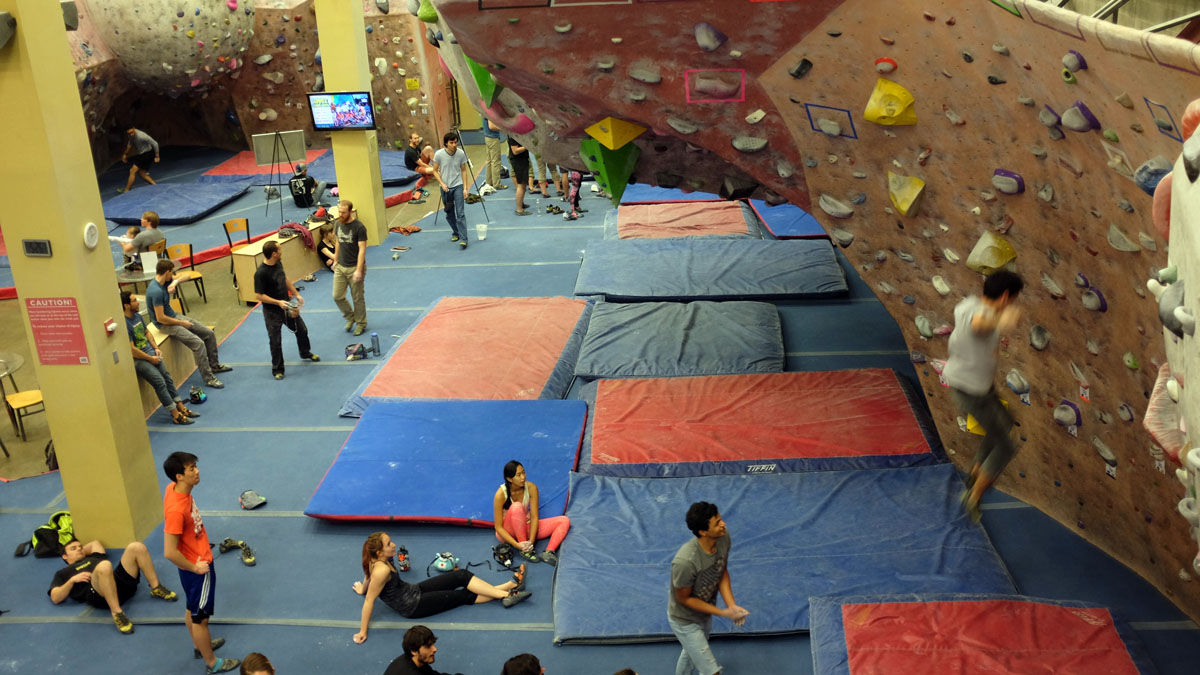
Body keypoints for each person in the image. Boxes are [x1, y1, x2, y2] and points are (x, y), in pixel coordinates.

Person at [943, 270, 1024, 523]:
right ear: (1006, 297)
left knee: (1005, 427)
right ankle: (973, 497)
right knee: (1006, 446)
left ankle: (975, 472)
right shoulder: (986, 316)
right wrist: (1001, 322)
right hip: (972, 391)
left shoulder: (968, 303)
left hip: (973, 385)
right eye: (1013, 299)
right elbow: (979, 325)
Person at [351, 532, 530, 644]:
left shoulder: (376, 560)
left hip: (413, 590)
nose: (394, 545)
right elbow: (369, 601)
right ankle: (507, 593)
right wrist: (363, 631)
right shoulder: (381, 570)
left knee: (461, 576)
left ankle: (507, 588)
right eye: (389, 544)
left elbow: (367, 576)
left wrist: (362, 588)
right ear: (379, 552)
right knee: (461, 596)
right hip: (413, 605)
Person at [162, 452, 239, 674]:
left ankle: (199, 646)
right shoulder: (177, 509)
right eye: (191, 469)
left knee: (192, 608)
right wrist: (195, 566)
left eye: (195, 466)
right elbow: (168, 551)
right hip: (198, 568)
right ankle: (212, 663)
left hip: (192, 563)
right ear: (179, 476)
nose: (197, 471)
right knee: (201, 619)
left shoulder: (173, 490)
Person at [669, 501, 749, 675]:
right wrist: (722, 613)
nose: (724, 524)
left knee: (692, 654)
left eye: (721, 519)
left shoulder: (723, 537)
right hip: (685, 620)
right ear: (703, 532)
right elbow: (684, 598)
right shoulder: (685, 562)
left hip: (704, 615)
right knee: (712, 672)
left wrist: (732, 605)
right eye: (717, 523)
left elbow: (722, 570)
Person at [48, 537, 178, 635]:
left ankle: (156, 588)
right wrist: (72, 580)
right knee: (105, 565)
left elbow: (95, 543)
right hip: (100, 595)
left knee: (136, 546)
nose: (79, 549)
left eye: (80, 546)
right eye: (73, 548)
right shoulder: (63, 574)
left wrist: (79, 551)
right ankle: (117, 613)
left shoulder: (93, 557)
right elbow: (55, 597)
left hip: (120, 585)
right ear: (64, 556)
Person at [145, 259, 232, 389]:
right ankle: (208, 378)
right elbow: (160, 318)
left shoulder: (164, 281)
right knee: (198, 344)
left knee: (208, 333)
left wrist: (174, 282)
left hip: (174, 316)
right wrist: (181, 323)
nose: (173, 275)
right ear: (167, 272)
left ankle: (214, 365)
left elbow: (187, 276)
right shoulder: (155, 291)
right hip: (166, 324)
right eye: (172, 273)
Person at [121, 291, 200, 425]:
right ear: (126, 305)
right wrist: (150, 359)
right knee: (159, 382)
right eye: (134, 301)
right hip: (139, 360)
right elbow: (132, 350)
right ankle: (175, 414)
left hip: (151, 353)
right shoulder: (125, 324)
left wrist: (156, 348)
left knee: (167, 377)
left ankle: (181, 407)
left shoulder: (138, 317)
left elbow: (147, 332)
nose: (138, 302)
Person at [254, 240, 320, 380]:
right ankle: (278, 369)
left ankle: (305, 352)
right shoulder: (261, 273)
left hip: (287, 305)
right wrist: (278, 302)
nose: (281, 252)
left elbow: (284, 279)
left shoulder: (278, 263)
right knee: (275, 340)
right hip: (272, 311)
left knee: (301, 329)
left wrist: (296, 294)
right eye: (279, 250)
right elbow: (259, 295)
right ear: (274, 254)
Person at [493, 460, 570, 565]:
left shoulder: (532, 488)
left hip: (525, 526)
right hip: (508, 532)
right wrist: (517, 545)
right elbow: (498, 527)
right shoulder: (500, 494)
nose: (523, 477)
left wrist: (531, 541)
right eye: (518, 475)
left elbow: (534, 517)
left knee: (564, 520)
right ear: (509, 479)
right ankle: (525, 550)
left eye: (523, 472)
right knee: (517, 506)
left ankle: (548, 552)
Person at [332, 199, 369, 336]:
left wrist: (359, 270)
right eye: (339, 211)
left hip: (354, 266)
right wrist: (335, 260)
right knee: (337, 296)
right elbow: (338, 242)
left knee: (357, 298)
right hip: (341, 266)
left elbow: (362, 250)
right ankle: (350, 317)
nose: (340, 214)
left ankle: (361, 323)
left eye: (343, 212)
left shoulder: (359, 227)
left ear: (350, 212)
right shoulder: (337, 224)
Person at [432, 132, 471, 249]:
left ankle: (464, 239)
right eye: (451, 143)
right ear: (446, 143)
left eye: (455, 142)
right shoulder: (439, 154)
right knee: (449, 213)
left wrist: (465, 188)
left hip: (458, 185)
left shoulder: (461, 153)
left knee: (460, 213)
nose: (454, 145)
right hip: (445, 188)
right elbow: (434, 170)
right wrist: (442, 184)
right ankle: (456, 232)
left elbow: (463, 170)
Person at [382, 625, 464, 675]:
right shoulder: (408, 671)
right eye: (428, 646)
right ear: (414, 651)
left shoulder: (414, 660)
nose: (435, 649)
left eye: (433, 644)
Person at [119, 127, 160, 193]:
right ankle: (156, 186)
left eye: (132, 132)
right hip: (143, 154)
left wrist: (157, 156)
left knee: (132, 170)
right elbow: (130, 144)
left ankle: (127, 190)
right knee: (142, 173)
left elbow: (155, 143)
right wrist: (125, 154)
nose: (131, 134)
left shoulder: (142, 136)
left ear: (134, 128)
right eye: (129, 133)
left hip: (147, 154)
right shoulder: (130, 135)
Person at [403, 132, 432, 203]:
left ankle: (436, 165)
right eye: (415, 138)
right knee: (433, 170)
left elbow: (421, 158)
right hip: (416, 167)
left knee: (428, 148)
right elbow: (421, 164)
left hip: (420, 163)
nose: (417, 140)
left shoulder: (417, 147)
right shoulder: (410, 151)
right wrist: (433, 167)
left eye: (418, 138)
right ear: (410, 140)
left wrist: (434, 165)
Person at [507, 135, 531, 217]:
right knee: (521, 185)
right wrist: (528, 146)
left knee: (523, 184)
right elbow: (515, 151)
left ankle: (521, 204)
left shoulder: (516, 133)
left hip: (522, 159)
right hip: (518, 161)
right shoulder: (513, 135)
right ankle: (519, 209)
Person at [481, 120, 507, 192]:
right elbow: (491, 126)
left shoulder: (485, 111)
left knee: (489, 161)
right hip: (493, 138)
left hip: (488, 137)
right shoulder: (489, 113)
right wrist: (503, 128)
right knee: (496, 161)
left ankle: (489, 182)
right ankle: (497, 184)